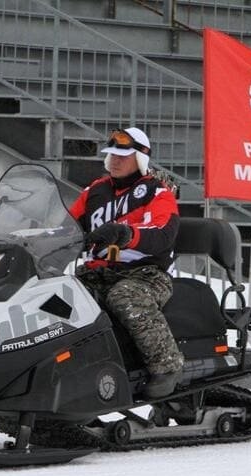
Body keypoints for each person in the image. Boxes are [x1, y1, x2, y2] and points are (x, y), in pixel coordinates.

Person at [69, 127, 183, 398]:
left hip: (145, 274)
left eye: (123, 155)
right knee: (60, 296)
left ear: (141, 159)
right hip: (99, 271)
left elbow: (163, 234)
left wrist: (128, 234)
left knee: (125, 297)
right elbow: (67, 223)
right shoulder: (94, 192)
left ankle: (167, 365)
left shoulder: (158, 193)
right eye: (111, 155)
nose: (115, 161)